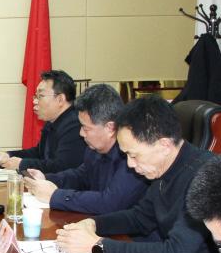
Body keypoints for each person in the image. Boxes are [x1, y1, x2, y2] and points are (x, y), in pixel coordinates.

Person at [55, 95, 219, 253]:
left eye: (134, 155)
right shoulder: (162, 168)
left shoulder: (206, 177)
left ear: (164, 145)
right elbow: (140, 218)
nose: (130, 164)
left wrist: (98, 245)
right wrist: (93, 223)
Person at [23, 83, 146, 214]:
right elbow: (80, 176)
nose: (81, 133)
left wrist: (55, 196)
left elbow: (109, 202)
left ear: (110, 128)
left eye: (86, 128)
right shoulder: (93, 149)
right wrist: (46, 178)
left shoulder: (131, 157)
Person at [0, 70, 86, 174]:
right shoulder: (52, 121)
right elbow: (39, 153)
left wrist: (22, 164)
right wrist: (9, 155)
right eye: (35, 96)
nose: (34, 101)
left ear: (60, 99)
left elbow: (62, 167)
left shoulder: (75, 125)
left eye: (40, 96)